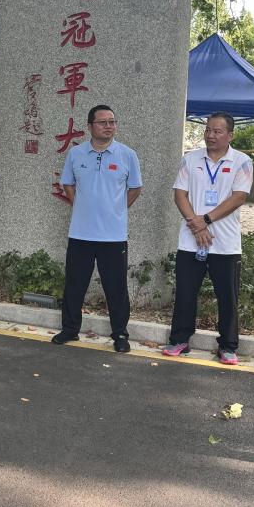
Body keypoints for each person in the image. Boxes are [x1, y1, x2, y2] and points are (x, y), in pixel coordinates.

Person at [161, 112, 253, 365]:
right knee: (185, 293)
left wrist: (206, 220)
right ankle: (179, 339)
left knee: (227, 297)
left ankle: (228, 346)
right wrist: (198, 225)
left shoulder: (242, 161)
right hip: (191, 240)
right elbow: (180, 195)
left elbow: (239, 197)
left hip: (225, 244)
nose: (211, 135)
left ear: (230, 135)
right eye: (208, 130)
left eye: (217, 131)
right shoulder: (190, 159)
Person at [50, 105, 142, 352]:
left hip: (113, 236)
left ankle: (120, 334)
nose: (108, 126)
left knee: (116, 288)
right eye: (103, 122)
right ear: (90, 126)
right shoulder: (76, 154)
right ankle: (70, 329)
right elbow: (68, 183)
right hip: (81, 233)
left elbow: (135, 188)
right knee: (75, 284)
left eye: (112, 121)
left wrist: (116, 209)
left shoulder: (127, 155)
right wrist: (80, 205)